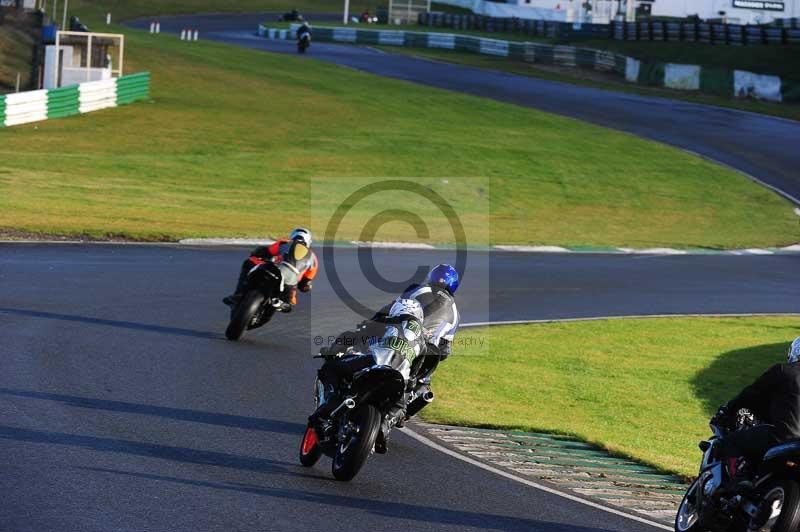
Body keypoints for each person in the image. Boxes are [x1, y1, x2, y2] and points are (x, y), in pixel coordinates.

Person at [323, 264, 460, 422]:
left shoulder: (418, 289)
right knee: (422, 383)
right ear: (453, 285)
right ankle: (399, 413)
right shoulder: (456, 315)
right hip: (420, 358)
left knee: (354, 344)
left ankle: (337, 390)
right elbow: (444, 352)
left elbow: (391, 309)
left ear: (432, 277)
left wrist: (370, 325)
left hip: (393, 341)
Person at [312, 298, 427, 453]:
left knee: (332, 367)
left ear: (396, 309)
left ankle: (330, 404)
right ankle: (383, 427)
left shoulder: (388, 321)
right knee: (399, 407)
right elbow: (414, 375)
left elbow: (355, 336)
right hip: (399, 379)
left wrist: (333, 351)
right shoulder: (423, 343)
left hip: (374, 364)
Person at [713, 337, 800, 469]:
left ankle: (739, 481)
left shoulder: (784, 371)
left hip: (783, 437)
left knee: (727, 443)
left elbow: (750, 395)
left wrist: (727, 410)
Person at [222, 228, 317, 311]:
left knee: (248, 262)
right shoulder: (314, 258)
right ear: (308, 241)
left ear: (293, 236)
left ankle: (239, 294)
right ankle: (281, 304)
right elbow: (306, 283)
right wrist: (305, 286)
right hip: (291, 281)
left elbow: (265, 252)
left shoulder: (284, 243)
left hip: (274, 269)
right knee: (290, 304)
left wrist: (256, 253)